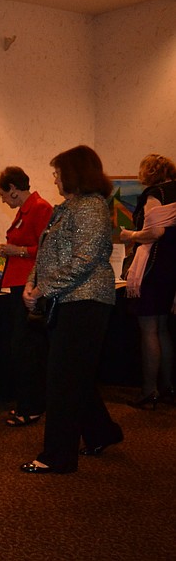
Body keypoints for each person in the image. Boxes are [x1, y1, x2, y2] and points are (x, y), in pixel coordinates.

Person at [21, 145, 124, 474]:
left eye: (58, 172)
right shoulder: (67, 207)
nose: (55, 179)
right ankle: (102, 432)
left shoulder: (91, 206)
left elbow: (86, 257)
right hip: (69, 301)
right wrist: (31, 282)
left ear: (75, 173)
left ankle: (58, 456)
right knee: (74, 375)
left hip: (87, 302)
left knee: (63, 380)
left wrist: (43, 288)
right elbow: (46, 252)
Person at [0, 166, 53, 426]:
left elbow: (47, 249)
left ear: (13, 189)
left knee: (26, 348)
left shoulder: (40, 208)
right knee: (22, 348)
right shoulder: (24, 211)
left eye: (4, 194)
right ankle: (28, 403)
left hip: (31, 286)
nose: (4, 200)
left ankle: (33, 405)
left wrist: (18, 251)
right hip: (18, 283)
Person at [119, 153, 176, 409]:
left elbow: (155, 231)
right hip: (171, 266)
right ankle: (167, 386)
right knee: (163, 328)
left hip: (152, 267)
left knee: (148, 329)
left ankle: (148, 390)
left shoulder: (155, 194)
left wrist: (129, 234)